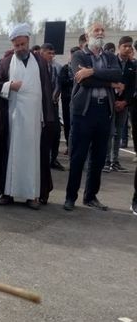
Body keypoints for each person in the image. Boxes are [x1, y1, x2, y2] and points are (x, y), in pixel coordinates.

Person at [0, 23, 56, 209]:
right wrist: (9, 85)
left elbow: (46, 89)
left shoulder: (40, 62)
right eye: (16, 45)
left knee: (33, 156)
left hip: (35, 118)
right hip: (14, 118)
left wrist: (47, 117)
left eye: (22, 44)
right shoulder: (5, 63)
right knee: (11, 154)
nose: (19, 48)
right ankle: (8, 193)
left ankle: (32, 195)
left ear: (28, 41)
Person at [64, 22, 123, 211]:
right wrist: (110, 83)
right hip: (84, 113)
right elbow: (85, 82)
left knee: (98, 158)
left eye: (102, 30)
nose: (100, 33)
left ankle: (90, 196)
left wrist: (93, 71)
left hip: (104, 112)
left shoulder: (109, 56)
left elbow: (118, 73)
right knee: (78, 156)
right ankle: (70, 197)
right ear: (87, 36)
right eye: (96, 31)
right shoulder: (79, 55)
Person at [103, 36, 135, 173]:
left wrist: (125, 102)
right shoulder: (111, 62)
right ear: (119, 47)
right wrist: (114, 100)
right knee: (109, 132)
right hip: (110, 103)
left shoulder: (132, 66)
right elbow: (106, 81)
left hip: (123, 105)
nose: (128, 49)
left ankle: (114, 161)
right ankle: (105, 161)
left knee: (118, 133)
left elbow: (133, 87)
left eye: (130, 46)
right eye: (125, 46)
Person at [40, 43, 64, 171]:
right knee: (42, 133)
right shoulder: (37, 67)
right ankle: (42, 159)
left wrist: (54, 96)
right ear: (42, 53)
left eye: (53, 53)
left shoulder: (57, 67)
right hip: (40, 105)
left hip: (53, 105)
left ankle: (53, 159)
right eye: (49, 53)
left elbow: (59, 84)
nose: (51, 56)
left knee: (56, 132)